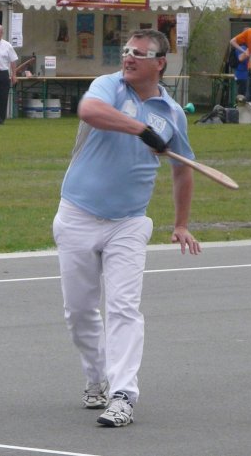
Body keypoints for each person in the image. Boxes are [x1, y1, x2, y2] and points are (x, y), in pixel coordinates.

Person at [53, 28, 201, 428]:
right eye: (126, 51)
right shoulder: (108, 86)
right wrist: (139, 128)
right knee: (80, 312)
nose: (129, 57)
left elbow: (182, 171)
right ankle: (96, 378)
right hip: (78, 214)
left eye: (139, 53)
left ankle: (123, 395)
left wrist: (181, 224)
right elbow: (89, 112)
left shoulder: (172, 113)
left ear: (160, 63)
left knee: (123, 307)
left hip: (130, 223)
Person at [230, 12, 251, 103]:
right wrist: (245, 52)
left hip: (250, 69)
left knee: (250, 92)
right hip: (246, 73)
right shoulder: (245, 47)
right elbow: (240, 58)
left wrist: (246, 52)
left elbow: (232, 41)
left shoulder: (248, 41)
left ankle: (248, 112)